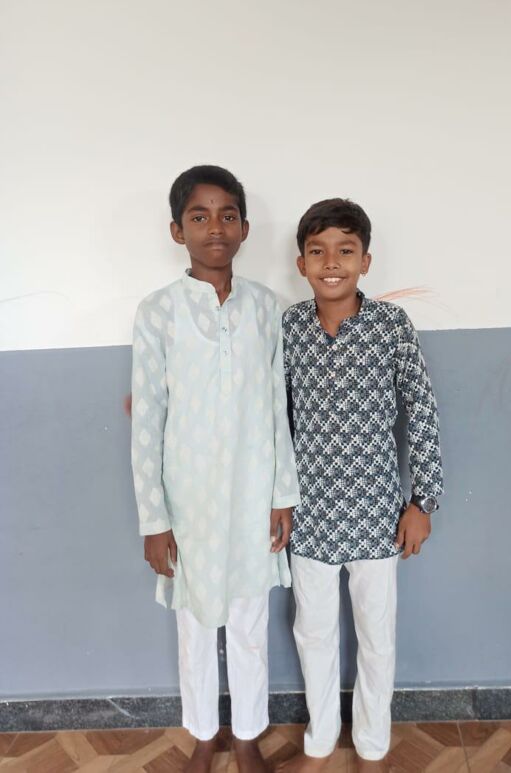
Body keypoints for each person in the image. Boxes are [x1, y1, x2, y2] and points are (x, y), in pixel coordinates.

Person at [130, 165, 300, 773]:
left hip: (253, 496)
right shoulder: (158, 312)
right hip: (189, 503)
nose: (215, 228)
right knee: (195, 626)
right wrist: (154, 519)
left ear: (245, 227)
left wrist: (282, 494)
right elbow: (147, 421)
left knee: (251, 622)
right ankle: (204, 734)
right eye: (199, 217)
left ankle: (248, 734)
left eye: (227, 215)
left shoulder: (267, 309)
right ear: (177, 231)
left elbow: (278, 407)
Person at [279, 199, 443, 772]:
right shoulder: (289, 328)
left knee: (376, 638)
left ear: (365, 261)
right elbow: (274, 420)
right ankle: (320, 743)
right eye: (318, 251)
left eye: (345, 251)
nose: (332, 263)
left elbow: (421, 410)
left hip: (377, 514)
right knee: (313, 634)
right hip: (309, 515)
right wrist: (276, 500)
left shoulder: (390, 326)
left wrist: (423, 502)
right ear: (301, 264)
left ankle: (372, 747)